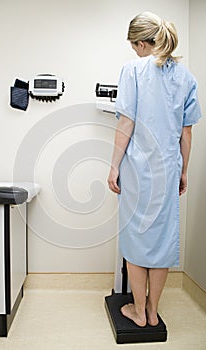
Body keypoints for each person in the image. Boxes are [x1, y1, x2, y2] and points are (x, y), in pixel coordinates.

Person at [107, 12, 201, 327]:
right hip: (168, 169)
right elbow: (186, 133)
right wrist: (184, 170)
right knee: (161, 241)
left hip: (137, 169)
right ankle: (151, 309)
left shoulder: (132, 70)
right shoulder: (186, 77)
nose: (134, 51)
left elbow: (126, 121)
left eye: (134, 45)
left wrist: (113, 166)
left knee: (136, 239)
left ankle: (137, 309)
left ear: (142, 42)